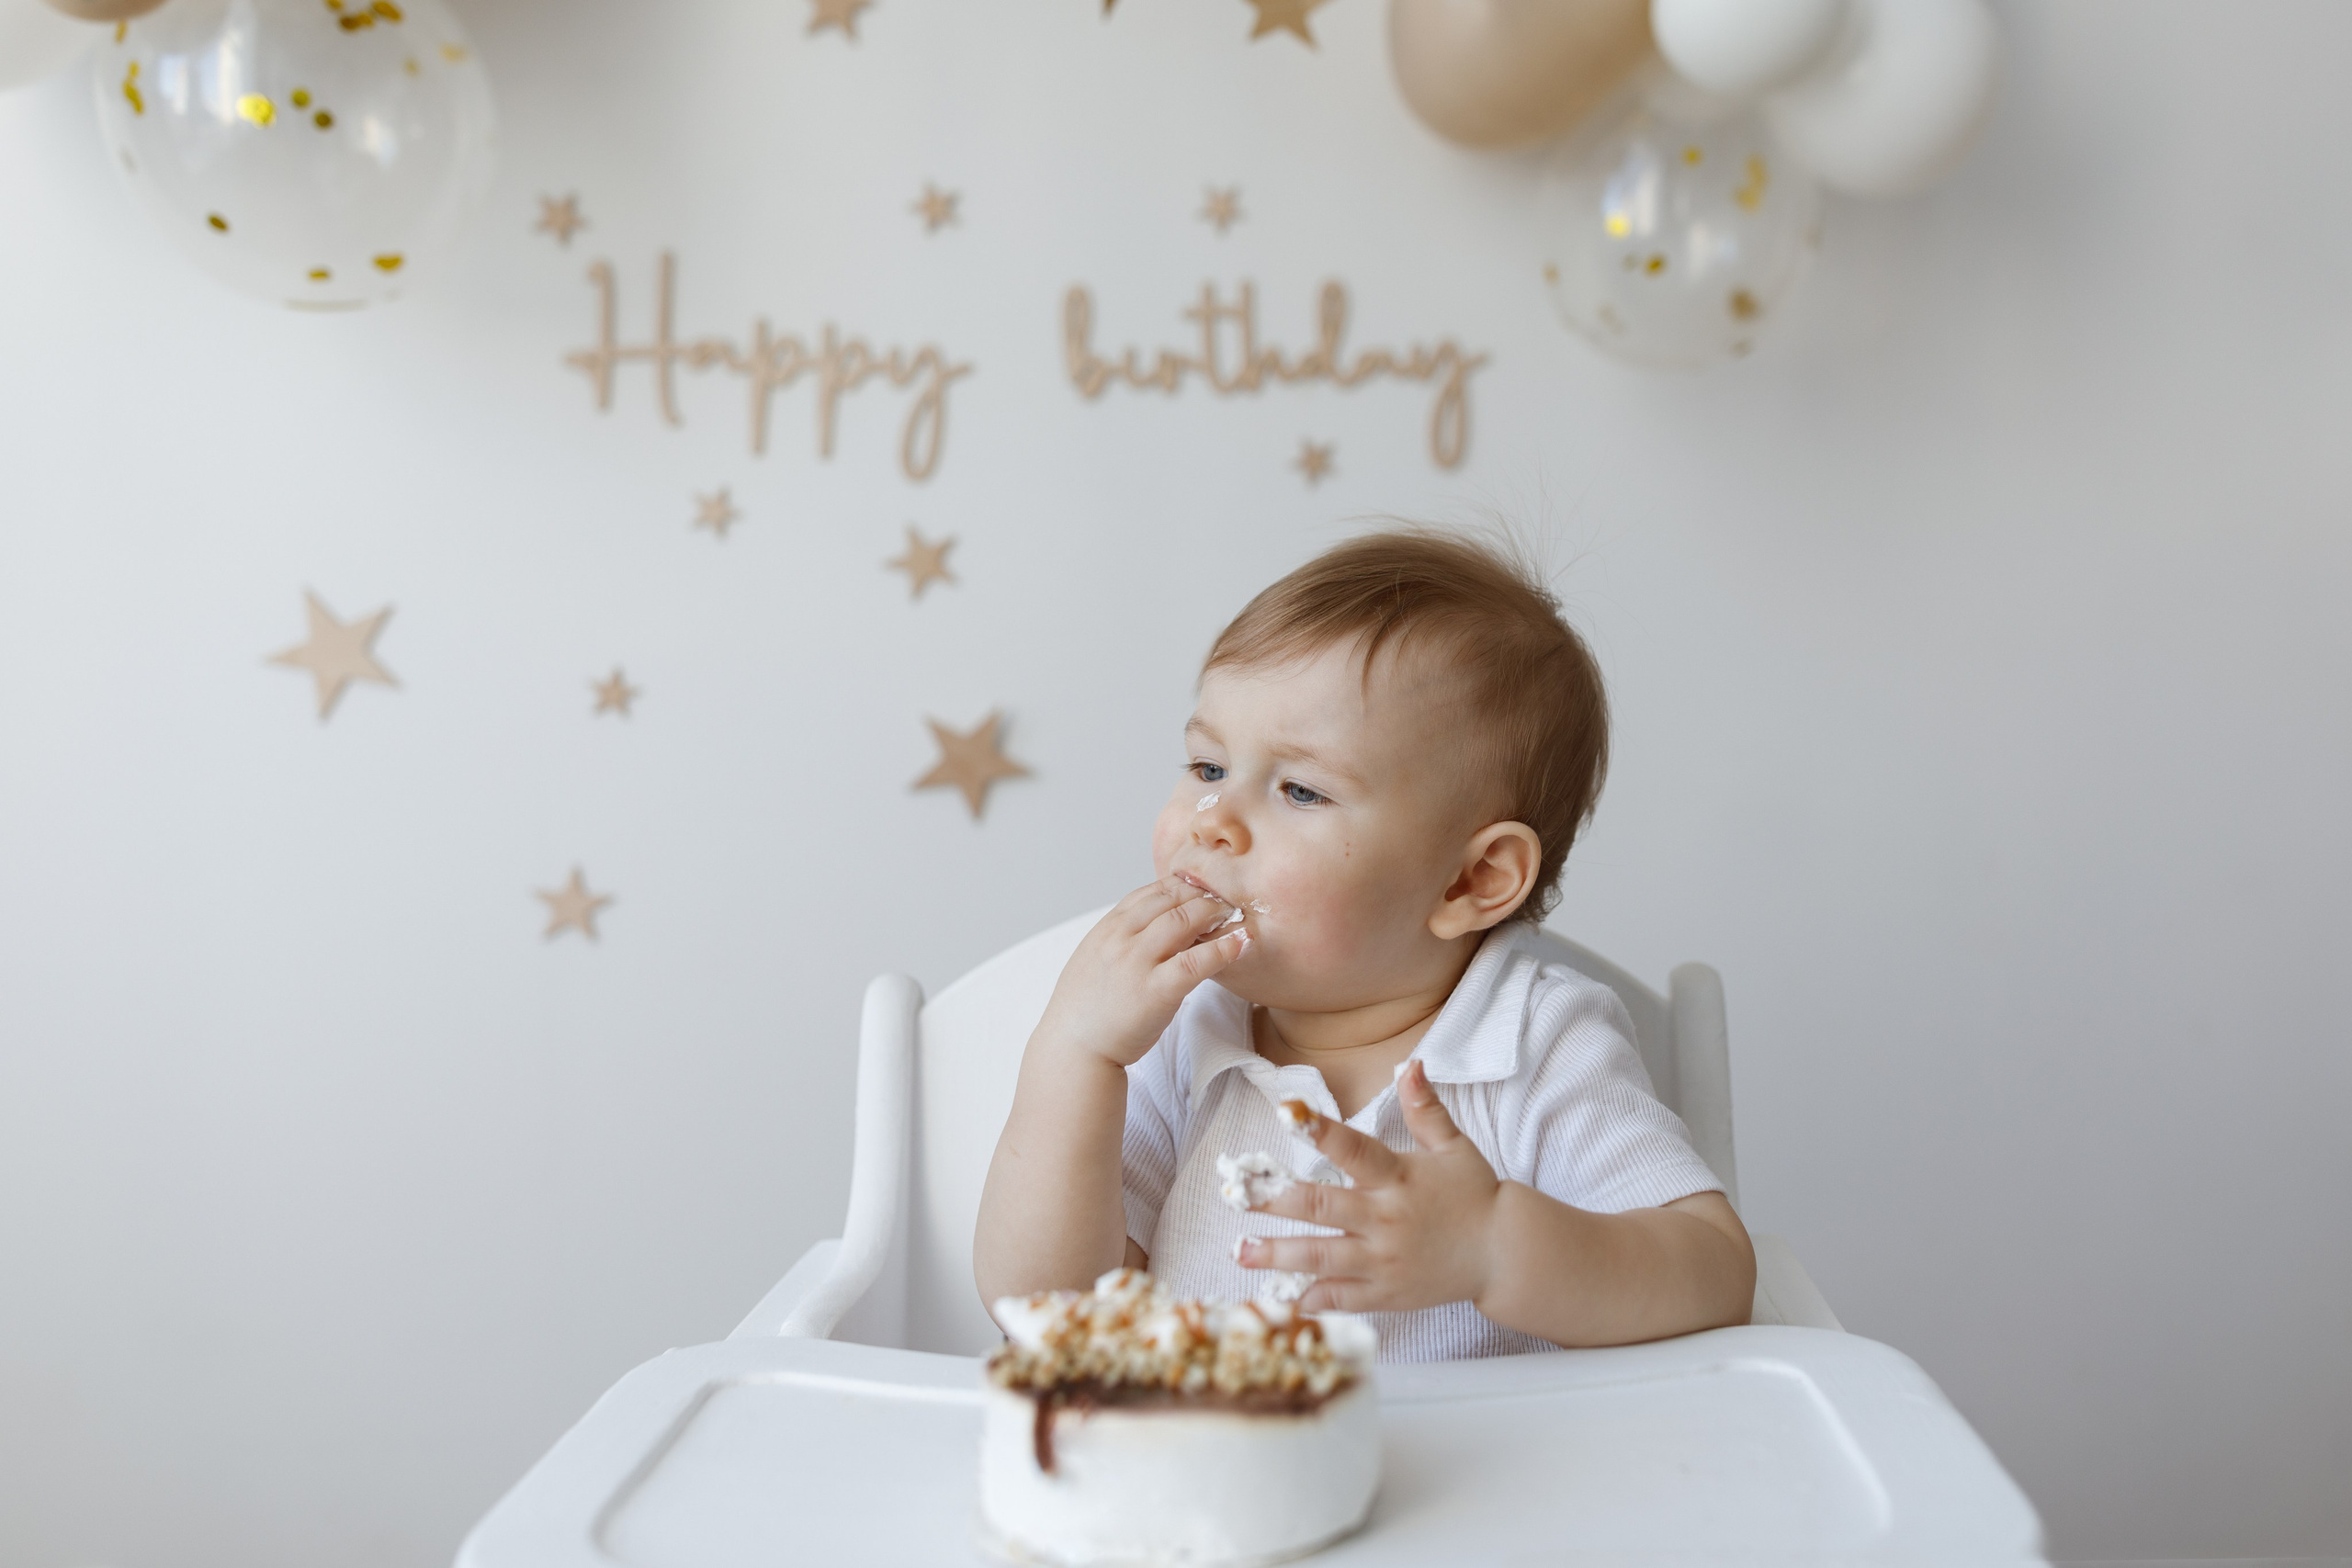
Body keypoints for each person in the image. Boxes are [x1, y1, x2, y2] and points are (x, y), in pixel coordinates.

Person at [973, 529, 1754, 1359]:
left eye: (1300, 789)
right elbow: (1048, 1313)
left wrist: (1495, 1247)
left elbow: (1715, 1272)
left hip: (1483, 1480)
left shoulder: (1538, 1044)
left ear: (1472, 880)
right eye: (1207, 767)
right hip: (1216, 1473)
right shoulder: (1181, 1032)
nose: (1216, 824)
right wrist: (1073, 1055)